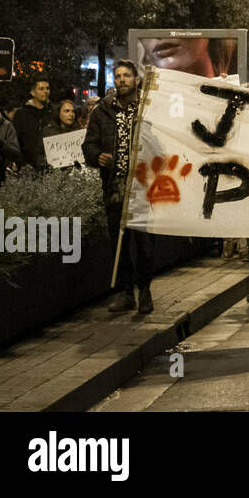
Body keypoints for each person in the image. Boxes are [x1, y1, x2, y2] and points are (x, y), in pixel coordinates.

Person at [82, 61, 156, 314]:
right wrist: (97, 156)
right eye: (118, 76)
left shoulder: (148, 109)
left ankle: (144, 289)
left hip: (143, 187)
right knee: (120, 242)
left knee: (144, 242)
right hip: (115, 186)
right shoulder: (102, 112)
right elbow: (88, 145)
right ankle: (126, 292)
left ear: (137, 80)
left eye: (127, 75)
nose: (122, 79)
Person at [12, 78, 54, 170]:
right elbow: (16, 140)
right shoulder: (22, 114)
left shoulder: (53, 113)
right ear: (33, 92)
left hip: (50, 166)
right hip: (27, 167)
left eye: (47, 88)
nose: (45, 91)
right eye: (41, 89)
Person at [42, 99, 84, 169]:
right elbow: (39, 156)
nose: (71, 114)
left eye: (73, 111)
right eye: (67, 111)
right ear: (58, 113)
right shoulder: (47, 132)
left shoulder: (80, 132)